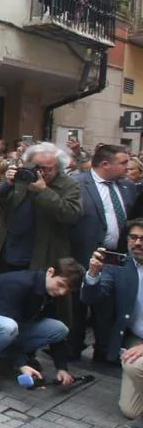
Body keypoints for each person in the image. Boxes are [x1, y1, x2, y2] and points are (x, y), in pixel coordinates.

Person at [0, 259, 83, 391]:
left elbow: (56, 336)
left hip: (2, 325)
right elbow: (8, 325)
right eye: (60, 285)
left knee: (59, 329)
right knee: (8, 326)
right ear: (50, 272)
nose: (61, 292)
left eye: (66, 291)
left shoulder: (48, 291)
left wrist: (62, 368)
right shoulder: (19, 284)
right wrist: (21, 364)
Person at [0, 142, 81, 290]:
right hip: (5, 250)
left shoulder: (69, 185)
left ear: (58, 167)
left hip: (39, 254)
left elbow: (70, 214)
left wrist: (44, 191)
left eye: (47, 168)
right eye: (37, 167)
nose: (41, 173)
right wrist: (7, 184)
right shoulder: (21, 177)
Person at [70, 145, 137, 363]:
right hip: (82, 256)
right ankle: (72, 348)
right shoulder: (77, 183)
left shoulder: (127, 186)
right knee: (78, 305)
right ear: (106, 164)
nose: (128, 167)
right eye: (124, 162)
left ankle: (104, 352)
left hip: (117, 258)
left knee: (108, 307)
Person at [81, 225, 143, 428]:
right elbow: (92, 297)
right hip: (137, 337)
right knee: (131, 410)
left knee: (135, 367)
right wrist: (93, 273)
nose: (138, 243)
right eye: (133, 237)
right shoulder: (120, 266)